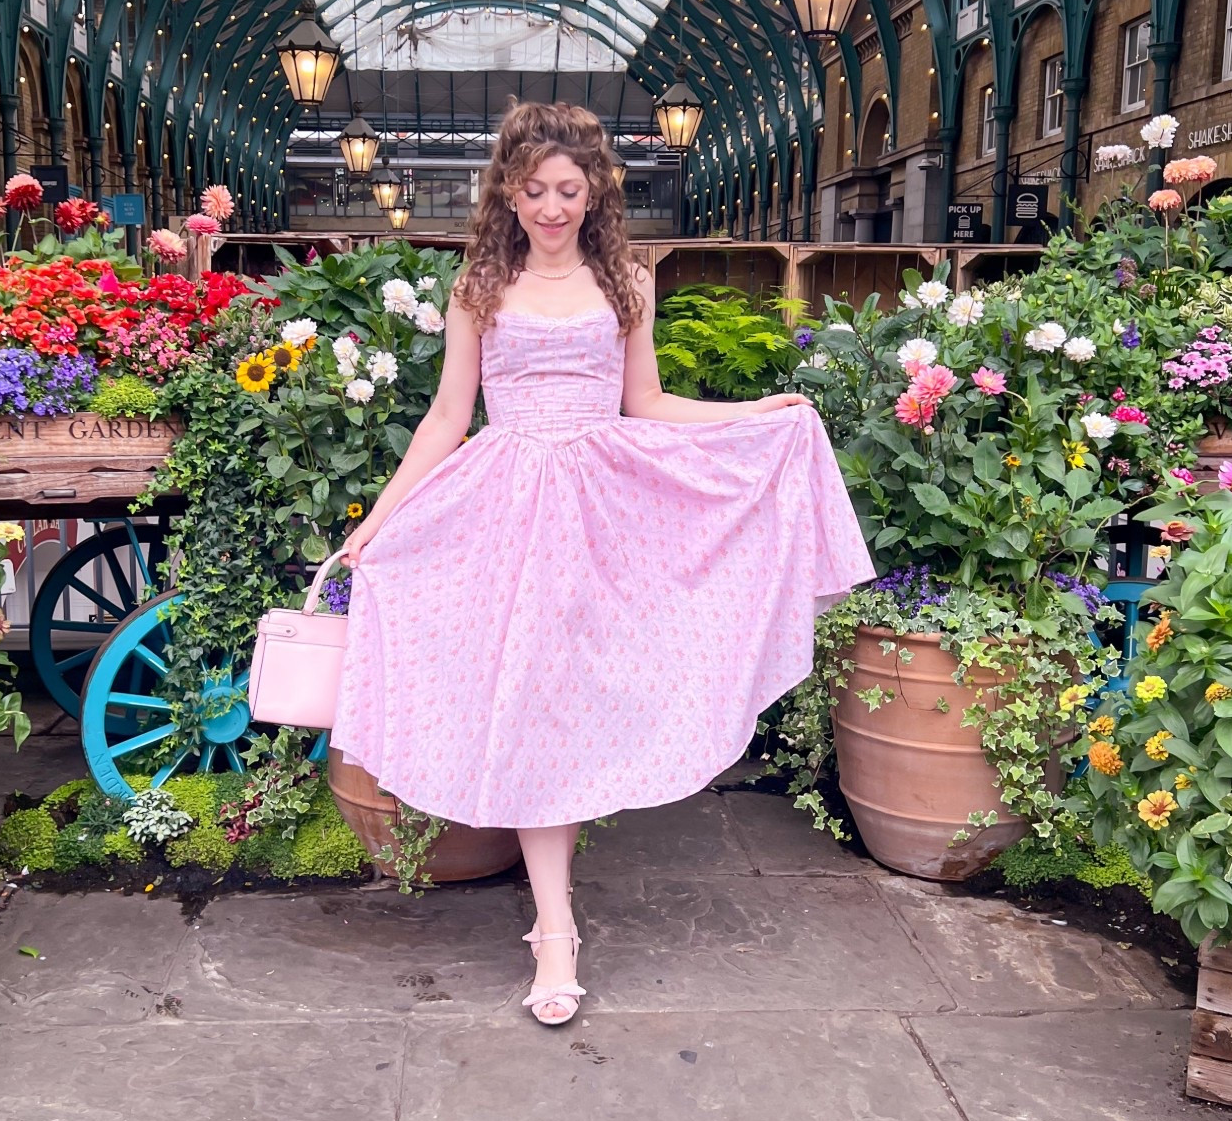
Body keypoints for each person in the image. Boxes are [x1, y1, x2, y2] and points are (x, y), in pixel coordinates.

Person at [334, 101, 872, 1026]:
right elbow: (446, 419)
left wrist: (759, 415)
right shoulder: (478, 286)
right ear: (507, 189)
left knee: (578, 701)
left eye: (569, 190)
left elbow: (648, 404)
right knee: (532, 702)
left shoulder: (626, 279)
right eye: (534, 189)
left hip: (601, 508)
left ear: (595, 194)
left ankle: (556, 925)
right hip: (506, 508)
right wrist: (379, 520)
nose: (551, 206)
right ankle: (555, 933)